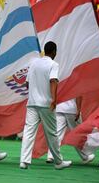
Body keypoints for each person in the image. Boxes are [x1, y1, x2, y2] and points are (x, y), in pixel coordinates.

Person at [20, 41, 72, 170]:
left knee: (28, 132)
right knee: (52, 133)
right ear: (54, 51)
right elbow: (53, 80)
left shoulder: (33, 63)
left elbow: (27, 83)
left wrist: (34, 90)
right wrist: (54, 100)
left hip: (32, 103)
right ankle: (58, 162)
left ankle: (24, 161)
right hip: (46, 104)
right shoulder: (53, 64)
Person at [46, 97, 95, 164]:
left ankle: (51, 155)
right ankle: (85, 156)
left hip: (59, 108)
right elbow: (78, 94)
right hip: (72, 109)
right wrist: (78, 109)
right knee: (78, 134)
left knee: (57, 133)